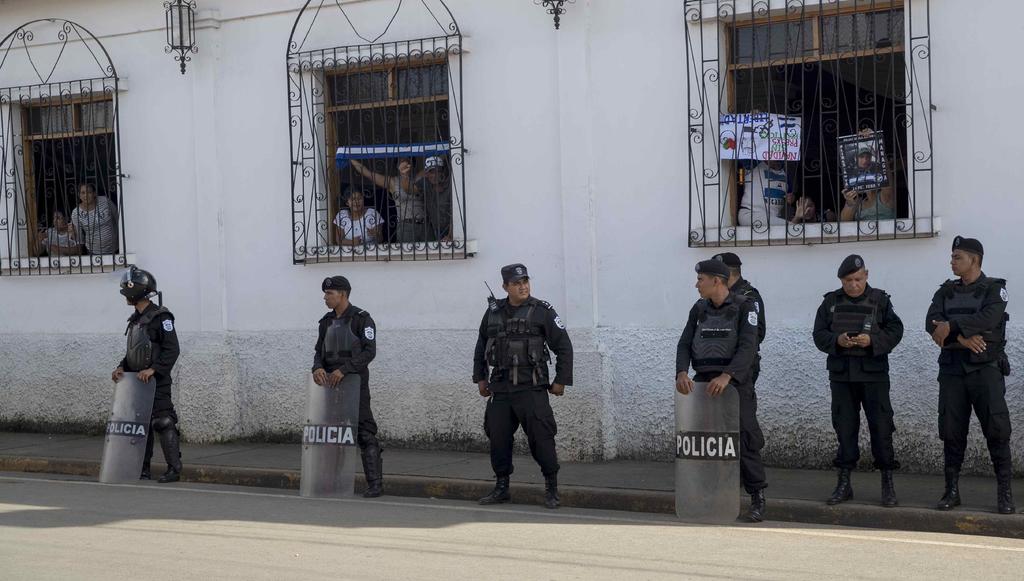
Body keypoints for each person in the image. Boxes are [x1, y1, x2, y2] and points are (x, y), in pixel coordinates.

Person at [926, 236, 1015, 514]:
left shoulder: (995, 289)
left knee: (997, 431)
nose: (951, 262)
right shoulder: (945, 291)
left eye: (957, 257)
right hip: (952, 370)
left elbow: (989, 320)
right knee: (952, 431)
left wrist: (951, 326)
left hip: (985, 370)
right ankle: (951, 491)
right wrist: (962, 339)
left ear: (974, 260)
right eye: (952, 257)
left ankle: (1005, 493)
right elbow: (931, 323)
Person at [473, 263, 573, 509]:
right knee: (498, 438)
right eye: (516, 283)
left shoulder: (542, 311)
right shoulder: (493, 313)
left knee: (542, 439)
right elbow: (481, 346)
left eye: (525, 281)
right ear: (505, 286)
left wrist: (561, 380)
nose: (523, 287)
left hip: (531, 388)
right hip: (501, 389)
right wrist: (481, 378)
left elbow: (564, 346)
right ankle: (501, 487)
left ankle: (552, 488)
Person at [676, 259, 767, 522]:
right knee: (707, 442)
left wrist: (728, 376)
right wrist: (681, 372)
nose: (696, 284)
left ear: (716, 281)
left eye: (700, 279)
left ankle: (757, 497)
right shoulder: (699, 308)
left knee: (744, 438)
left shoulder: (745, 306)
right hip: (704, 384)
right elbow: (684, 343)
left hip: (735, 385)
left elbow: (748, 346)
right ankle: (713, 495)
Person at [812, 254, 904, 507]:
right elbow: (818, 334)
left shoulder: (880, 301)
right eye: (848, 281)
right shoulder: (831, 302)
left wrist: (873, 341)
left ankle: (887, 483)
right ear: (841, 280)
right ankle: (844, 483)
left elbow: (896, 330)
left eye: (858, 279)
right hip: (842, 376)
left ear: (866, 275)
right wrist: (837, 341)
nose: (853, 285)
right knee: (844, 428)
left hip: (873, 375)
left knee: (881, 428)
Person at [312, 275, 383, 498]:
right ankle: (331, 483)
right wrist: (317, 368)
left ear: (342, 294)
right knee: (332, 435)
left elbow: (369, 352)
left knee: (364, 433)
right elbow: (319, 352)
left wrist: (344, 370)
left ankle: (375, 484)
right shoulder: (325, 322)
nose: (325, 297)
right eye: (325, 293)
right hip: (330, 387)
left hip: (354, 385)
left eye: (329, 293)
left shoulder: (362, 319)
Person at [111, 267, 182, 483]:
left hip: (156, 382)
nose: (125, 296)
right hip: (136, 382)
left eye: (127, 291)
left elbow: (172, 349)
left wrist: (154, 370)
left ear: (137, 291)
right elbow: (134, 352)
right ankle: (142, 469)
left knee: (163, 421)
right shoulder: (135, 319)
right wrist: (121, 367)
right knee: (139, 426)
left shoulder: (162, 317)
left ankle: (174, 469)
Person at [349, 158, 426, 243]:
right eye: (401, 161)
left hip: (426, 224)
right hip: (406, 226)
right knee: (407, 251)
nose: (404, 164)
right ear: (397, 166)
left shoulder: (419, 178)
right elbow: (368, 173)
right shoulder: (393, 181)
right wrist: (349, 157)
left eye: (407, 161)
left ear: (412, 164)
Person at [738, 160, 791, 227]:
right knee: (790, 227)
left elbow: (790, 195)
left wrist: (790, 198)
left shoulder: (785, 174)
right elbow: (740, 156)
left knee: (789, 228)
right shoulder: (754, 164)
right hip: (750, 214)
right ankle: (795, 220)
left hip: (774, 218)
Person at [69, 183, 118, 255]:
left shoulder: (105, 201)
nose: (86, 195)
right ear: (79, 195)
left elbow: (118, 217)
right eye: (83, 193)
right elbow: (80, 238)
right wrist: (73, 234)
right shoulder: (76, 213)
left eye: (89, 192)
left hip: (115, 248)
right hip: (94, 252)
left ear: (94, 193)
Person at [414, 155, 453, 242]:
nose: (434, 175)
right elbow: (410, 188)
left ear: (443, 172)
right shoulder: (426, 184)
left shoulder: (450, 186)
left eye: (438, 171)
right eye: (431, 172)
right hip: (435, 230)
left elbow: (454, 213)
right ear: (426, 174)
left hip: (453, 230)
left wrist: (450, 235)